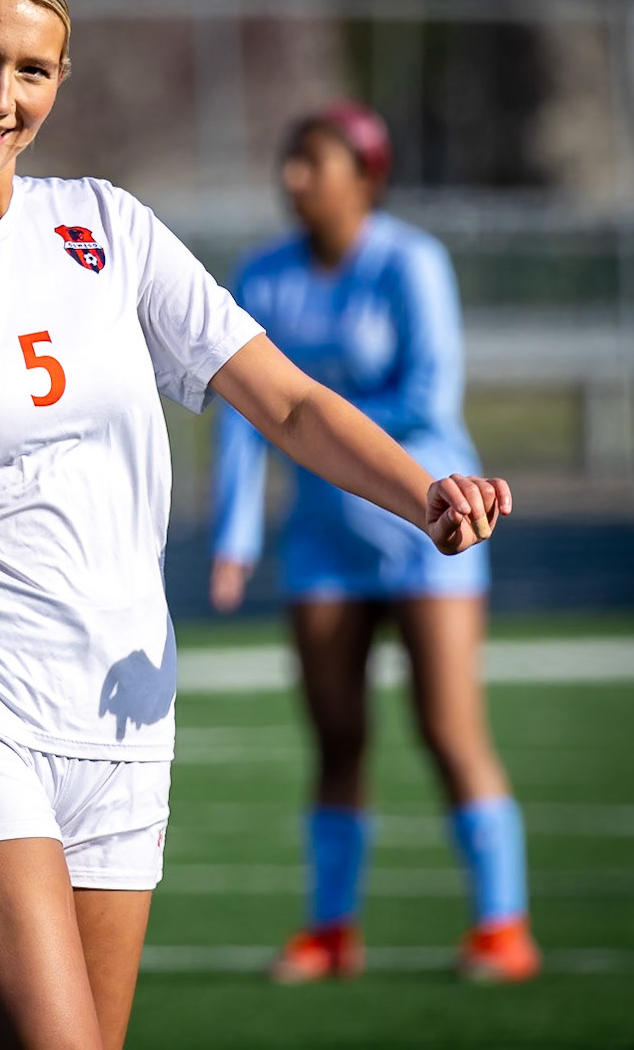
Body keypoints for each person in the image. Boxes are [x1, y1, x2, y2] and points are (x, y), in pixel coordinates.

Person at [0, 0, 511, 1050]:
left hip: (122, 726)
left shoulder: (106, 225)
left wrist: (425, 496)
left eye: (32, 70)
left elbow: (287, 402)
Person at [210, 101, 540, 985]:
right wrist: (235, 536)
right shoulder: (261, 273)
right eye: (287, 161)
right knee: (335, 736)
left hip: (429, 531)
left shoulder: (410, 262)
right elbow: (245, 414)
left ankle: (501, 928)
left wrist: (314, 417)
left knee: (447, 728)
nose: (292, 179)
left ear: (366, 177)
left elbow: (428, 394)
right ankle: (330, 932)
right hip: (321, 542)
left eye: (312, 162)